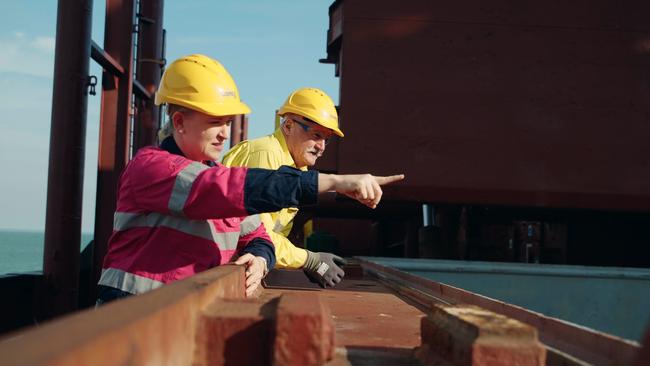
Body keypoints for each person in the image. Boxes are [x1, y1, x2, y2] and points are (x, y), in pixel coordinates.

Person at [96, 54, 404, 304]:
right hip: (129, 315)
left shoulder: (213, 175)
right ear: (179, 122)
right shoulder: (151, 168)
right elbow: (223, 190)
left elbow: (257, 234)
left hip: (181, 318)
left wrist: (260, 256)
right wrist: (335, 183)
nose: (225, 133)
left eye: (228, 122)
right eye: (215, 122)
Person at [221, 88, 344, 288]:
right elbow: (259, 236)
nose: (321, 146)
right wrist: (309, 259)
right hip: (227, 267)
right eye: (316, 135)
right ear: (288, 125)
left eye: (326, 139)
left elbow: (272, 237)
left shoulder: (296, 167)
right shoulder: (267, 154)